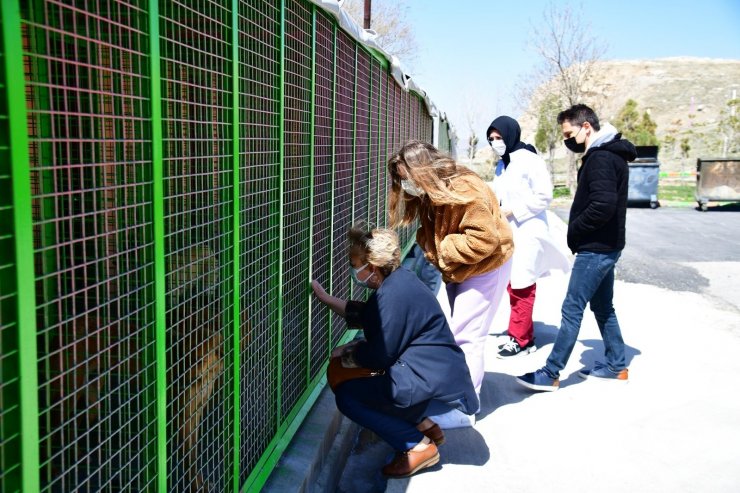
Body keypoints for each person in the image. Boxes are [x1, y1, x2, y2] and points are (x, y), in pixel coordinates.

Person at [311, 223, 478, 477]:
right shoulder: (399, 282)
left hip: (428, 378)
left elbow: (380, 355)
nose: (352, 269)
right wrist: (324, 297)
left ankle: (417, 445)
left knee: (349, 396)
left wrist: (348, 353)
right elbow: (364, 315)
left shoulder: (391, 296)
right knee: (368, 381)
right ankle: (424, 425)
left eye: (354, 263)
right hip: (430, 372)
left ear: (372, 267)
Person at [516, 104, 636, 392]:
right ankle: (617, 365)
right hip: (607, 245)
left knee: (572, 308)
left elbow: (603, 205)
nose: (568, 140)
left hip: (596, 248)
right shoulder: (611, 154)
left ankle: (551, 372)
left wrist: (575, 228)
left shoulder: (601, 158)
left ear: (586, 127)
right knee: (603, 306)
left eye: (569, 133)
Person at [387, 140, 514, 406]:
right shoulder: (431, 190)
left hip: (486, 265)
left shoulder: (464, 187)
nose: (406, 185)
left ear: (421, 170)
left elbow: (484, 239)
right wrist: (433, 249)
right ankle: (459, 393)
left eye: (407, 177)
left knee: (468, 335)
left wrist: (442, 250)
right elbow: (428, 232)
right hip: (460, 269)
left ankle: (465, 405)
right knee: (462, 332)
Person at [486, 115, 572, 358]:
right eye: (491, 138)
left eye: (499, 137)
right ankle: (522, 332)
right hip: (509, 231)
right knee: (511, 283)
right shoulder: (503, 164)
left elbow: (545, 195)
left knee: (522, 283)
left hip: (529, 230)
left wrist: (515, 209)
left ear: (511, 135)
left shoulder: (529, 160)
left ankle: (521, 339)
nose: (495, 142)